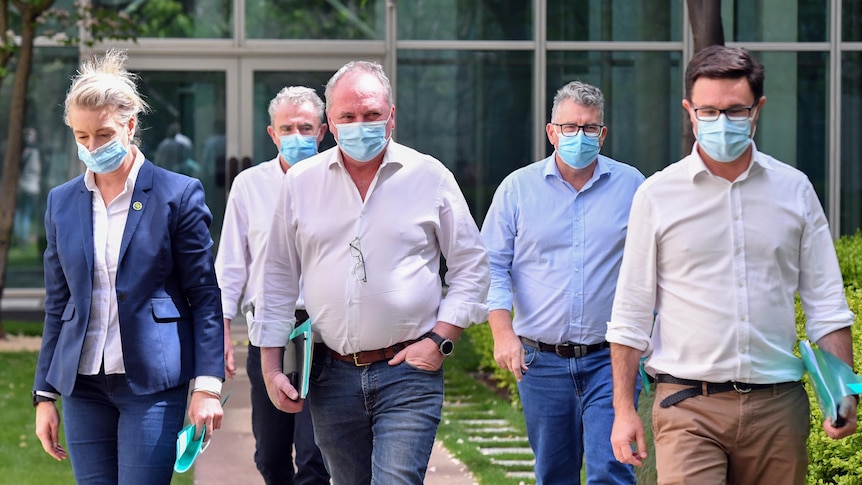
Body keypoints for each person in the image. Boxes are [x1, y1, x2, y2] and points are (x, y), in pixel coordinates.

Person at [606, 45, 858, 484]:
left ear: (757, 109)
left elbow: (827, 305)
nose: (721, 123)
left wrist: (844, 393)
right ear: (689, 111)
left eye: (735, 111)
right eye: (708, 111)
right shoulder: (657, 195)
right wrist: (624, 410)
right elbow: (630, 313)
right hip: (686, 405)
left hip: (778, 407)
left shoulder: (794, 191)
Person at [251, 60, 490, 484]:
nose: (360, 125)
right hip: (330, 373)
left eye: (371, 115)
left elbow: (472, 265)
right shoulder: (301, 183)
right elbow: (276, 277)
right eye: (348, 117)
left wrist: (441, 340)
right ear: (331, 122)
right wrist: (271, 367)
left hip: (409, 371)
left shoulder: (430, 176)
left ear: (391, 116)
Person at [32, 48, 225, 485]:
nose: (92, 147)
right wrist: (45, 394)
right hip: (83, 386)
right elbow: (59, 302)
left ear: (130, 126)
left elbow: (204, 297)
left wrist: (207, 385)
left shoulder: (178, 195)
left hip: (152, 384)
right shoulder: (62, 202)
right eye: (81, 137)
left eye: (103, 134)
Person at [480, 80, 645, 484]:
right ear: (552, 132)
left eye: (590, 128)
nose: (580, 136)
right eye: (570, 127)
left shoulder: (634, 187)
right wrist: (503, 335)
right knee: (554, 474)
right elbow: (491, 267)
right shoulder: (517, 189)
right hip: (541, 362)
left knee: (612, 470)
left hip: (611, 361)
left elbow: (652, 269)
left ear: (602, 135)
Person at [215, 86, 330, 485]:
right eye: (287, 128)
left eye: (306, 127)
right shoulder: (249, 186)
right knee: (270, 454)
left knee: (316, 457)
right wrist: (223, 331)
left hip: (325, 333)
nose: (297, 135)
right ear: (272, 134)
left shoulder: (339, 182)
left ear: (322, 131)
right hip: (269, 334)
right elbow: (231, 265)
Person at [15, 127, 41, 247]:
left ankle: (18, 238)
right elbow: (37, 170)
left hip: (21, 186)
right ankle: (23, 240)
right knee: (26, 214)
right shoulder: (35, 153)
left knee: (20, 213)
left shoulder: (21, 153)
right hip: (32, 187)